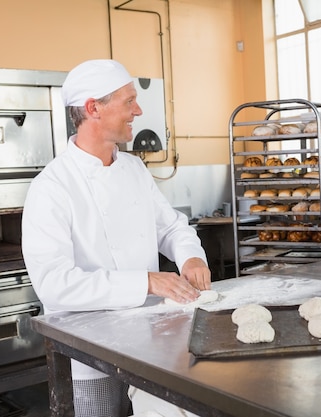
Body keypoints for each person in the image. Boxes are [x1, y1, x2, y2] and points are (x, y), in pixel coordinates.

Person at [21, 59, 211, 417]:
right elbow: (54, 285)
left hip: (150, 341)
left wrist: (190, 256)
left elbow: (170, 226)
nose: (138, 111)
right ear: (93, 108)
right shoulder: (52, 187)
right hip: (89, 352)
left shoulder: (134, 169)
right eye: (129, 102)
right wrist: (146, 282)